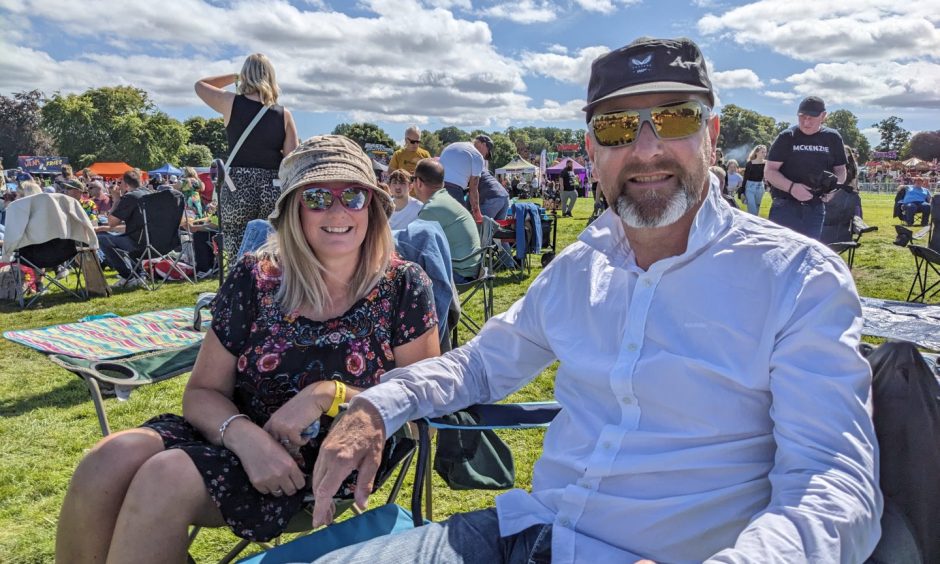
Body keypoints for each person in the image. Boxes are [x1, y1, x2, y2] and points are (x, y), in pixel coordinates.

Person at [309, 37, 881, 563]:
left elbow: (831, 482)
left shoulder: (797, 277)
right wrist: (379, 404)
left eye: (675, 118)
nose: (646, 148)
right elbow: (483, 363)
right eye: (615, 128)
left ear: (711, 134)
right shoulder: (581, 267)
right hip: (527, 535)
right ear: (590, 149)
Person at [56, 135, 440, 563]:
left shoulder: (402, 284)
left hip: (332, 454)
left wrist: (326, 393)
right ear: (294, 209)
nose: (337, 210)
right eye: (316, 197)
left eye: (353, 195)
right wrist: (245, 439)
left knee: (164, 476)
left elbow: (421, 394)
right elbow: (201, 393)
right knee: (108, 457)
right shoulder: (255, 277)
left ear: (372, 206)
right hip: (233, 433)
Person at [195, 52, 300, 267]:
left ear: (245, 76)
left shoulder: (230, 103)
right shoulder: (284, 114)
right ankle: (268, 288)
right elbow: (291, 159)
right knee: (272, 243)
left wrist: (235, 77)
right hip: (272, 185)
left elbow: (200, 85)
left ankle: (240, 286)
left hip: (238, 185)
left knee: (236, 240)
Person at [765, 96, 847, 240]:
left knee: (809, 252)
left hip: (815, 206)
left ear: (823, 116)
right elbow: (770, 171)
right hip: (785, 204)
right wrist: (792, 187)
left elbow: (840, 170)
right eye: (802, 117)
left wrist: (834, 189)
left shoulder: (832, 138)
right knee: (779, 250)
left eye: (811, 118)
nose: (806, 122)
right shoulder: (787, 137)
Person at [413, 158, 481, 282]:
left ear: (418, 182)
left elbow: (413, 246)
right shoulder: (443, 199)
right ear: (442, 182)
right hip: (469, 269)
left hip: (458, 274)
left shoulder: (431, 209)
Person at [94, 169, 158, 288]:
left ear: (126, 185)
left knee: (101, 238)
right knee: (117, 236)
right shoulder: (151, 194)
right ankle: (139, 274)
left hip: (139, 244)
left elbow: (111, 222)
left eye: (120, 183)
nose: (119, 186)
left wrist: (116, 200)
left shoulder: (130, 197)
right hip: (159, 243)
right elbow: (139, 225)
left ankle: (127, 276)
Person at [439, 141, 485, 222]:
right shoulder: (478, 156)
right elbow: (473, 189)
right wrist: (477, 213)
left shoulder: (452, 146)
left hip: (436, 187)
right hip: (454, 191)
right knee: (460, 224)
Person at [472, 135, 510, 220]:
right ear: (483, 145)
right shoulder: (478, 163)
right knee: (495, 231)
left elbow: (472, 190)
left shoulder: (472, 161)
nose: (486, 155)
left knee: (479, 230)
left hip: (493, 198)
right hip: (504, 196)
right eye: (488, 151)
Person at [741, 144, 767, 214]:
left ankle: (753, 223)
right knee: (752, 208)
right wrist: (742, 191)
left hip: (760, 187)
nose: (764, 154)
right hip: (750, 187)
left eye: (765, 152)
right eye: (762, 152)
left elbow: (767, 176)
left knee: (757, 207)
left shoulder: (766, 164)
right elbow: (745, 178)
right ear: (756, 152)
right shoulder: (750, 164)